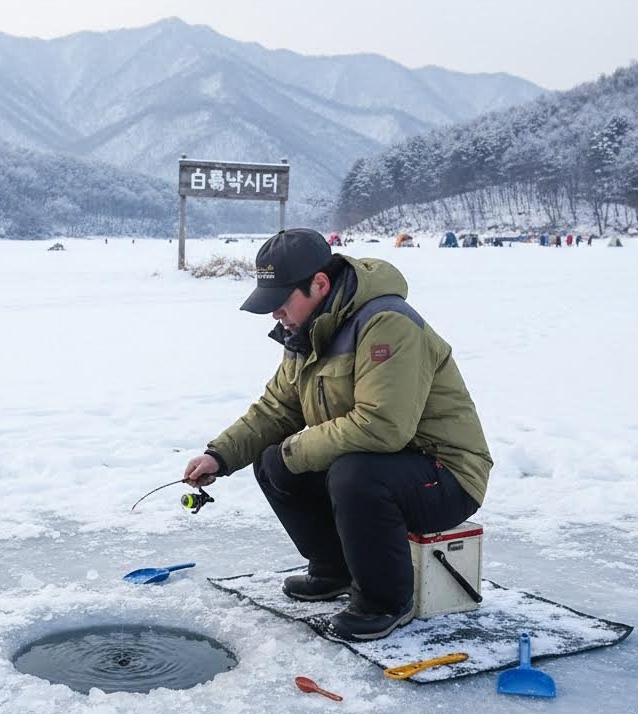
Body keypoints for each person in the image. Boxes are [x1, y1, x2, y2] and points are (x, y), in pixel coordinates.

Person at [184, 228, 492, 642]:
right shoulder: (307, 332)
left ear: (320, 284)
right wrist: (219, 456)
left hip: (447, 476)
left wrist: (295, 450)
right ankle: (335, 571)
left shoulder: (387, 324)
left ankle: (385, 602)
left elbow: (382, 426)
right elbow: (277, 409)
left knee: (353, 474)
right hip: (381, 464)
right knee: (273, 461)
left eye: (281, 301)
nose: (275, 314)